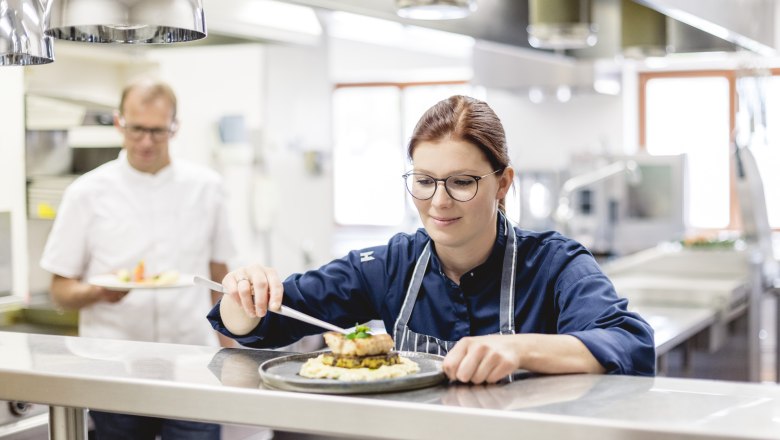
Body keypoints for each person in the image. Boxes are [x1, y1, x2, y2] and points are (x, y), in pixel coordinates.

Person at [207, 95, 655, 383]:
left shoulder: (555, 265)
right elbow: (268, 323)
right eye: (424, 180)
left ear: (503, 184)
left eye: (461, 182)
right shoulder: (389, 266)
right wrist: (244, 293)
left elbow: (630, 345)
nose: (439, 202)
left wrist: (518, 348)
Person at [41, 78, 235, 439]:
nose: (146, 141)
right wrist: (99, 292)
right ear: (119, 123)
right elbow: (59, 291)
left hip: (193, 363)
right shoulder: (87, 192)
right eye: (137, 129)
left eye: (158, 131)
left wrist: (233, 359)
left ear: (175, 127)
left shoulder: (207, 188)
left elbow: (220, 280)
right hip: (114, 367)